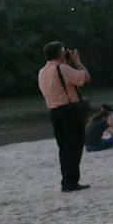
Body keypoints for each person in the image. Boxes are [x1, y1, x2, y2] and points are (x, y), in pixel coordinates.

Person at [37, 41, 91, 192]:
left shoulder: (42, 72)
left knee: (64, 148)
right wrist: (77, 62)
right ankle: (71, 182)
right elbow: (85, 78)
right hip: (70, 111)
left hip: (55, 112)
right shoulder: (62, 68)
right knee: (74, 147)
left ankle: (67, 180)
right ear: (61, 53)